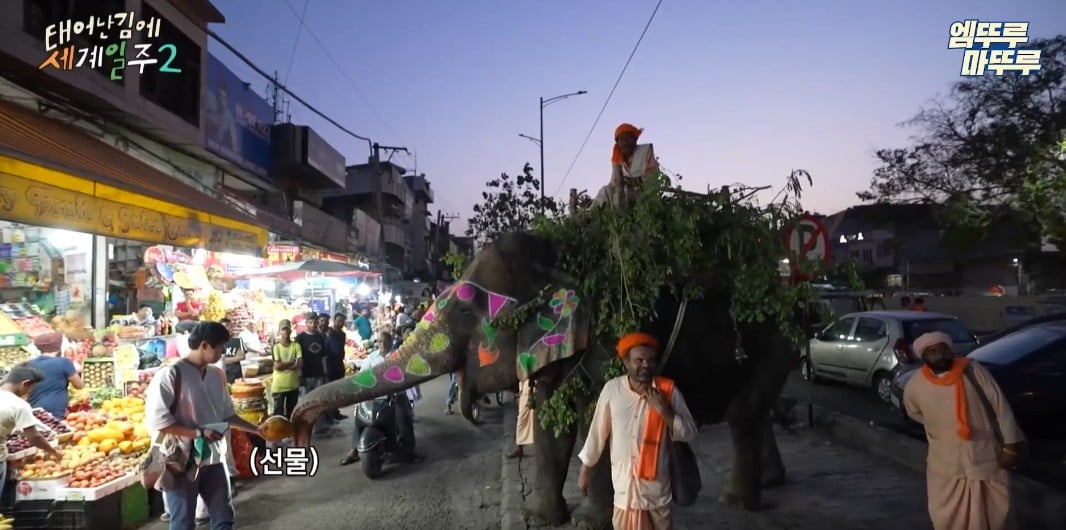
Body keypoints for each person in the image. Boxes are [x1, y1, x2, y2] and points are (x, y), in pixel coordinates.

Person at [145, 322, 266, 530]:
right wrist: (198, 433)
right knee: (183, 521)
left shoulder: (215, 376)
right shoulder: (170, 375)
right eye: (219, 349)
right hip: (181, 461)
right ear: (204, 345)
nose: (222, 354)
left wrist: (257, 429)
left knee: (224, 516)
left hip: (213, 457)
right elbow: (159, 422)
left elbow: (228, 415)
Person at [903, 331, 1025, 530]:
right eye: (932, 351)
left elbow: (1000, 407)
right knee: (946, 515)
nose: (939, 354)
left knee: (995, 513)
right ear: (923, 356)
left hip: (985, 456)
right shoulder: (916, 385)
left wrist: (1010, 447)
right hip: (946, 464)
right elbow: (915, 413)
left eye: (943, 349)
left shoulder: (973, 370)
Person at [577, 332, 697, 530]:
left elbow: (690, 432)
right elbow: (597, 434)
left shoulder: (668, 392)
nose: (645, 365)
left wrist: (663, 410)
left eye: (650, 360)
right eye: (639, 360)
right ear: (625, 362)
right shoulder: (612, 390)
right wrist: (585, 470)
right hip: (625, 493)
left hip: (656, 493)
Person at [340, 331, 421, 466]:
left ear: (390, 341)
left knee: (403, 418)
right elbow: (362, 376)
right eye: (380, 341)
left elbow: (407, 373)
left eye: (385, 341)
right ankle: (354, 450)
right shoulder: (371, 358)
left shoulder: (399, 356)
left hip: (396, 396)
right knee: (360, 418)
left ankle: (409, 450)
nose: (382, 344)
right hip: (375, 397)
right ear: (376, 343)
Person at [1, 364, 64, 484]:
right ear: (25, 383)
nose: (29, 392)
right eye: (31, 388)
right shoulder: (19, 405)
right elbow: (34, 437)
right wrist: (54, 453)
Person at [594, 123, 660, 207]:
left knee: (621, 196)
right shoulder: (617, 159)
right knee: (605, 190)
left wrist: (635, 182)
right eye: (621, 140)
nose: (624, 142)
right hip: (623, 192)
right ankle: (588, 215)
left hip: (643, 192)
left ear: (634, 139)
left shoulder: (645, 150)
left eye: (627, 138)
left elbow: (653, 175)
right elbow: (613, 183)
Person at [28, 332, 84, 420]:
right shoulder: (64, 362)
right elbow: (79, 386)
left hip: (33, 408)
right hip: (55, 409)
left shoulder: (29, 364)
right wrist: (75, 372)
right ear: (58, 347)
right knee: (57, 430)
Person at [295, 312, 331, 435]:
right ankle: (305, 427)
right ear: (306, 323)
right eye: (310, 322)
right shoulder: (300, 338)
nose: (313, 325)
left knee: (319, 401)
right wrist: (299, 375)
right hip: (305, 374)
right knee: (305, 402)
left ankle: (319, 427)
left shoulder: (321, 337)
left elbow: (323, 358)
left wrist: (325, 373)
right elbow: (298, 358)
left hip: (318, 374)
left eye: (315, 322)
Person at [271, 321, 302, 428]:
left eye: (287, 329)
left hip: (293, 384)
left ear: (290, 330)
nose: (285, 331)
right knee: (278, 414)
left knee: (292, 412)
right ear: (280, 331)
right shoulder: (276, 347)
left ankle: (290, 433)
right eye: (283, 329)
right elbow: (277, 366)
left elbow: (300, 363)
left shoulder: (296, 345)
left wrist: (283, 366)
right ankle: (277, 435)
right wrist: (291, 363)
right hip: (279, 386)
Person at [325, 313, 348, 421]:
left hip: (339, 364)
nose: (340, 323)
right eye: (338, 320)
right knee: (330, 390)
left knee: (338, 391)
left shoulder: (342, 334)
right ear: (334, 320)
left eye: (342, 321)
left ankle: (335, 411)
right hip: (330, 365)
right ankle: (330, 413)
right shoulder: (329, 332)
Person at [507, 380, 534, 459]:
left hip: (529, 392)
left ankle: (520, 449)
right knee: (521, 421)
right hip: (525, 392)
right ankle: (520, 448)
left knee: (522, 421)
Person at [218, 318, 246, 384]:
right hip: (222, 376)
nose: (227, 329)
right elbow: (217, 361)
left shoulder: (238, 340)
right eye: (225, 327)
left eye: (229, 326)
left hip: (236, 376)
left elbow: (242, 356)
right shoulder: (217, 342)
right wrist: (235, 358)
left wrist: (224, 360)